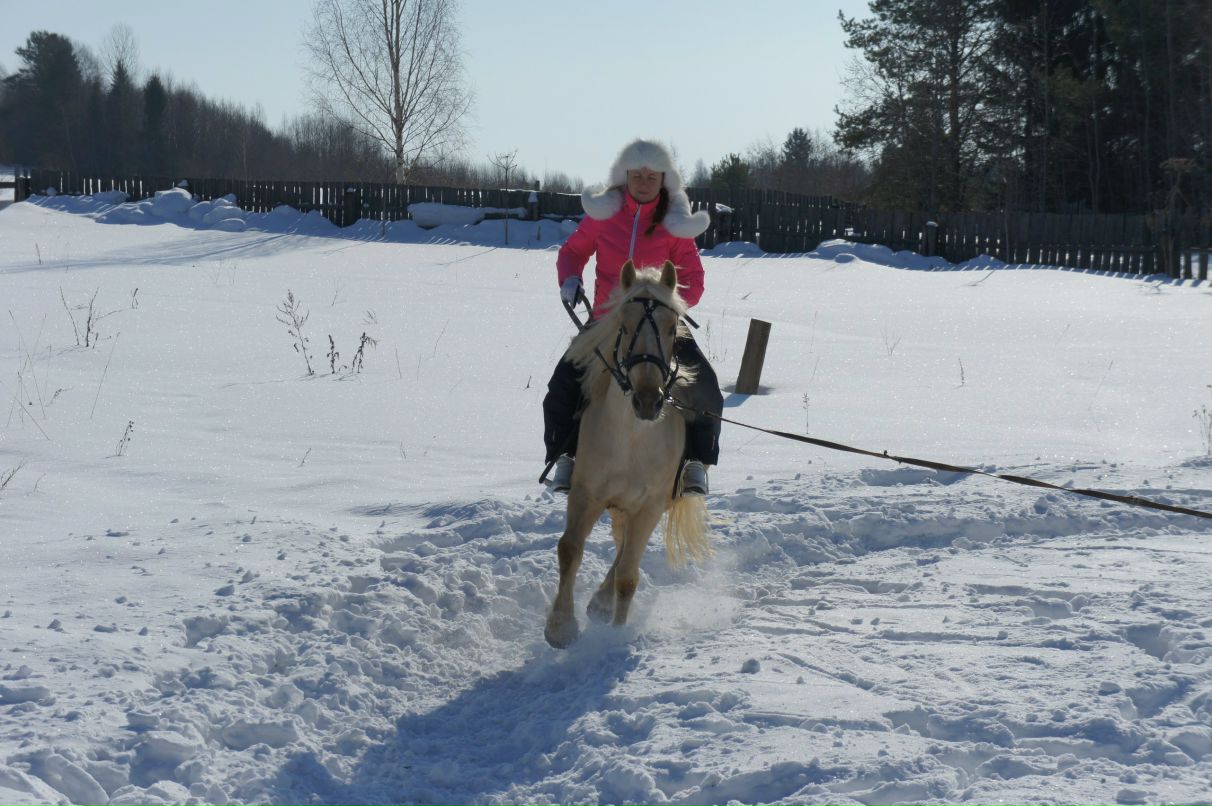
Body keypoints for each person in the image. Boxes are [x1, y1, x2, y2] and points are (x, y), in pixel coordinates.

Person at [543, 138, 723, 496]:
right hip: (608, 321)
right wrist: (571, 278)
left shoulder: (675, 224)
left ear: (663, 180)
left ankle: (695, 464)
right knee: (561, 386)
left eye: (651, 176)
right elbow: (574, 251)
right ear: (624, 176)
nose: (643, 181)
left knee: (706, 387)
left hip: (661, 323)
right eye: (636, 175)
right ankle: (565, 456)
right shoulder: (604, 215)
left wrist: (668, 305)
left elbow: (694, 280)